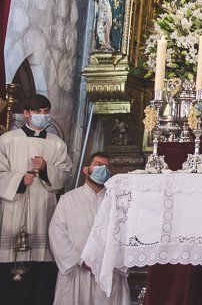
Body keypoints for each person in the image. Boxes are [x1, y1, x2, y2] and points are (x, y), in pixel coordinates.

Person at [0, 94, 72, 304]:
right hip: (11, 208)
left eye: (45, 112)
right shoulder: (7, 140)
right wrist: (19, 179)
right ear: (26, 113)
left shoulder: (56, 144)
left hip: (43, 208)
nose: (42, 115)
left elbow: (66, 173)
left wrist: (46, 169)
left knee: (40, 267)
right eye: (37, 111)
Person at [49, 153, 129, 305]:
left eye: (107, 167)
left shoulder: (117, 202)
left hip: (107, 271)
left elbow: (124, 233)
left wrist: (111, 259)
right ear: (86, 170)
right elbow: (57, 233)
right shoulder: (68, 199)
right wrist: (80, 260)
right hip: (77, 272)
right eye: (98, 164)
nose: (103, 169)